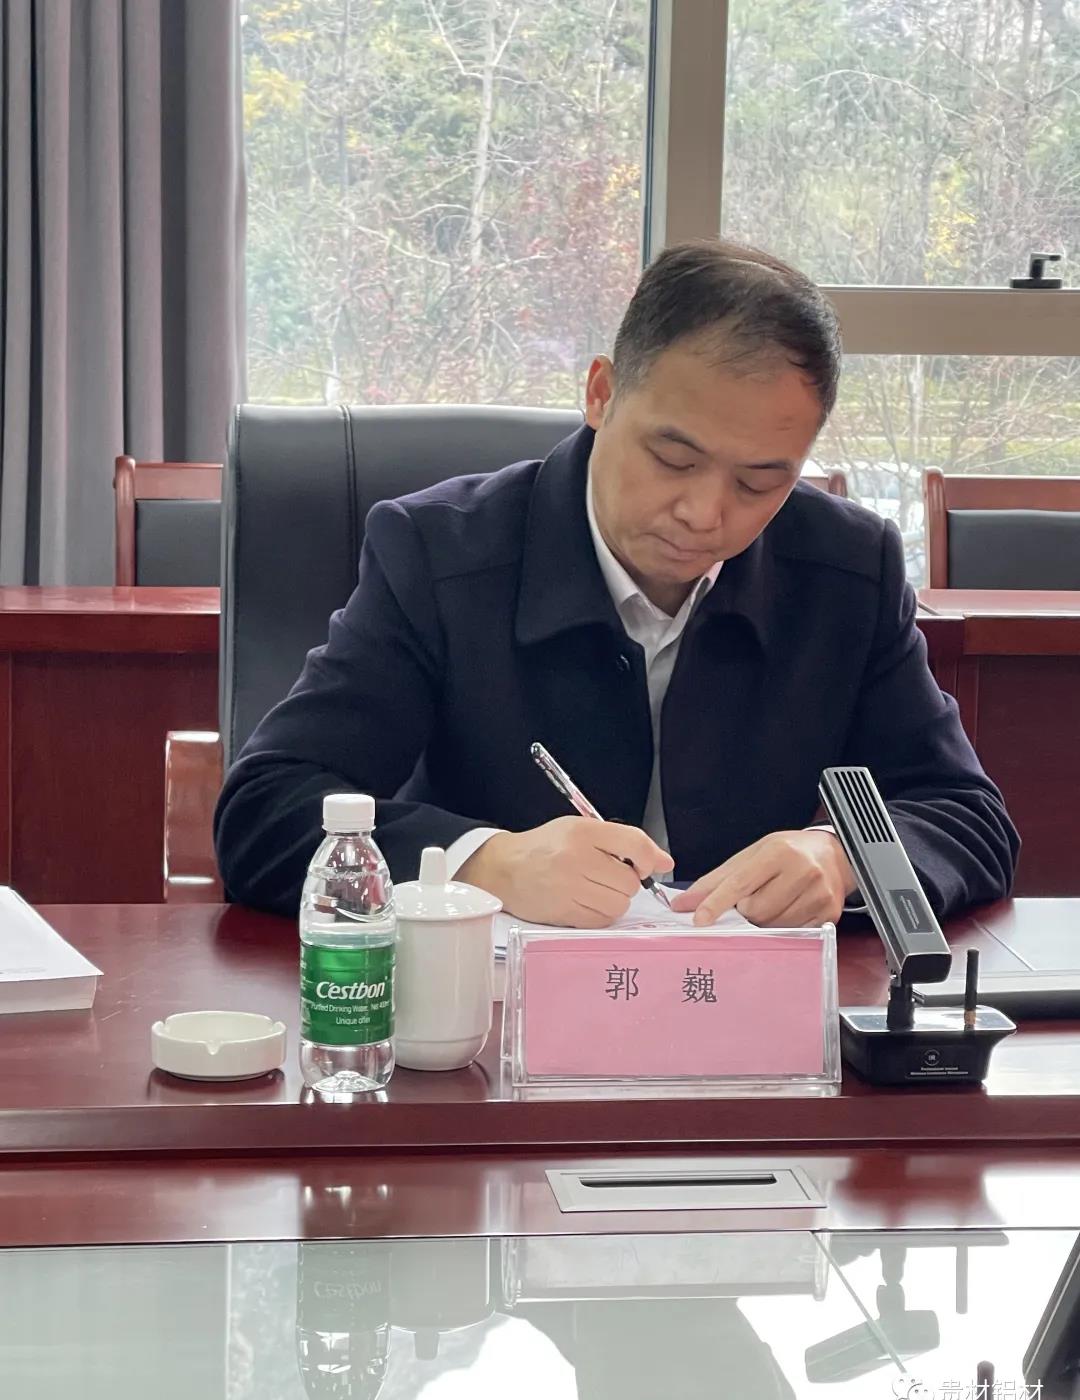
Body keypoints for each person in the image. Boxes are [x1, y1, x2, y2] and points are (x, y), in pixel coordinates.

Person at [215, 240, 1018, 926]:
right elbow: (266, 810)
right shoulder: (439, 554)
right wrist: (486, 863)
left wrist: (842, 856)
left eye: (760, 481)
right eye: (673, 458)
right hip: (497, 1023)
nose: (705, 514)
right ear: (600, 393)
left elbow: (967, 815)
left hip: (740, 1019)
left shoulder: (846, 570)